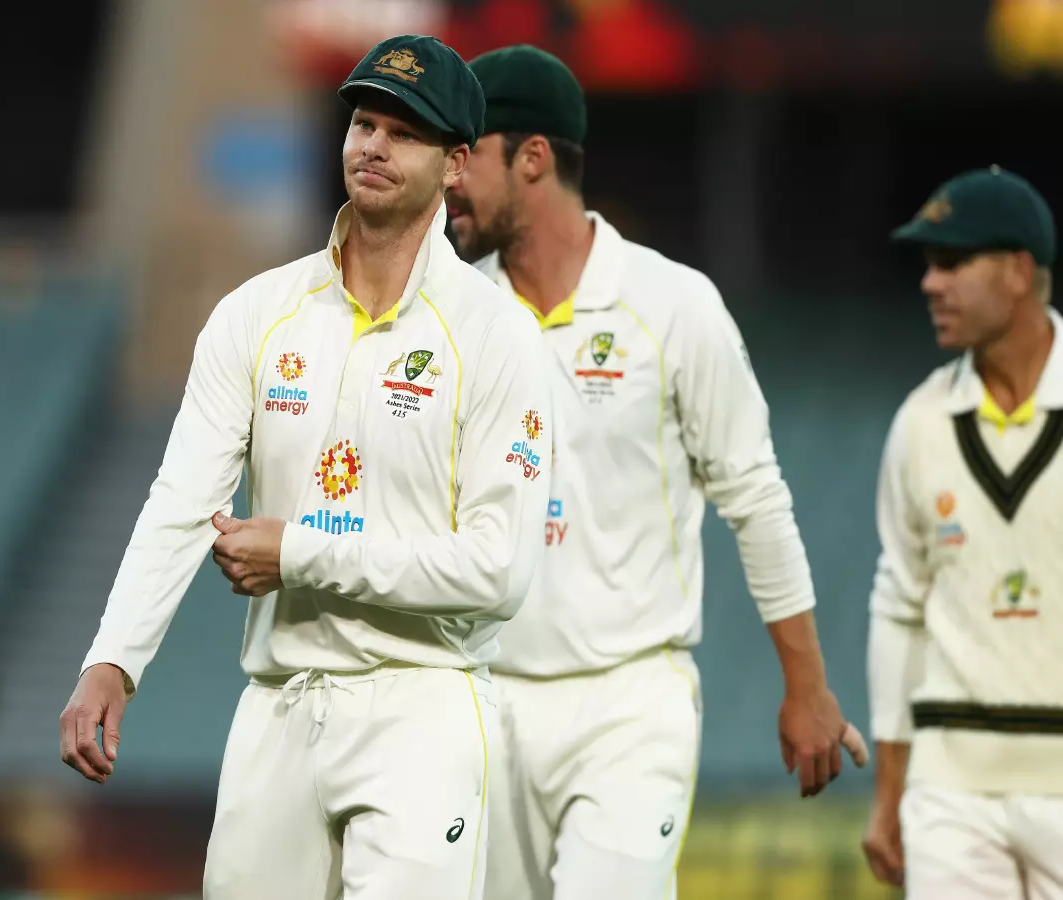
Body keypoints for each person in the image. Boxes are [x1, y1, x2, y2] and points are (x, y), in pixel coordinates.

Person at [58, 34, 552, 900]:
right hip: (277, 712)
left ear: (456, 163)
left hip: (424, 706)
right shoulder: (257, 314)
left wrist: (299, 553)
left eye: (405, 131)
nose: (373, 145)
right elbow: (182, 499)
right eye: (364, 122)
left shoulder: (496, 334)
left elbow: (499, 570)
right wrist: (113, 660)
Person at [445, 45, 868, 900]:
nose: (445, 178)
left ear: (533, 158)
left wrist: (808, 685)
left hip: (630, 704)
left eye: (464, 154)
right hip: (482, 703)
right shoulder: (451, 320)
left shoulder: (674, 305)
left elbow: (755, 496)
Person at [863, 166, 1063, 898]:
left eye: (952, 262)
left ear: (1018, 271)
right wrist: (890, 795)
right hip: (949, 792)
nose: (930, 284)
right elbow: (899, 609)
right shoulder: (920, 423)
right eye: (926, 266)